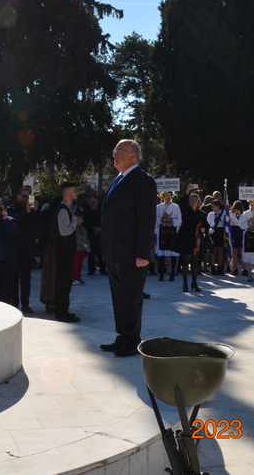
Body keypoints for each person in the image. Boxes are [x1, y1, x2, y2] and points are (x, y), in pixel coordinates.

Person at [98, 140, 157, 357]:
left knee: (131, 298)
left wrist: (142, 253)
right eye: (114, 151)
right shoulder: (120, 179)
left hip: (132, 253)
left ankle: (132, 340)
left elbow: (147, 220)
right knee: (119, 297)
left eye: (119, 151)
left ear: (133, 155)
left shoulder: (143, 181)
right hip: (115, 251)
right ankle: (122, 336)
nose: (114, 155)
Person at [51, 182, 81, 322]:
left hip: (65, 250)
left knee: (65, 282)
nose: (77, 193)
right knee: (63, 282)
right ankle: (62, 313)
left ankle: (63, 311)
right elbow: (64, 231)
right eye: (74, 191)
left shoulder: (67, 209)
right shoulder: (63, 210)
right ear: (67, 194)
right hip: (63, 251)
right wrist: (74, 222)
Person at [7, 186, 38, 312]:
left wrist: (35, 211)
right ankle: (14, 302)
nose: (26, 199)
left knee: (26, 278)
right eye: (23, 196)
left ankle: (25, 304)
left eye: (28, 196)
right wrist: (26, 212)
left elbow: (36, 224)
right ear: (18, 196)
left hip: (27, 248)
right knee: (13, 277)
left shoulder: (32, 209)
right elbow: (13, 222)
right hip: (14, 247)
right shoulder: (11, 208)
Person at [176, 188, 205, 291]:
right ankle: (185, 283)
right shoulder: (186, 211)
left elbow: (206, 225)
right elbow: (182, 204)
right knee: (185, 262)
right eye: (191, 200)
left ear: (198, 202)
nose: (193, 202)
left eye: (195, 200)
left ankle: (194, 283)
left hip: (197, 242)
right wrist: (187, 192)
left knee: (195, 263)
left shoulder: (201, 213)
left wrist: (204, 228)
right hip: (186, 240)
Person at [154, 192, 181, 281]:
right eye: (167, 195)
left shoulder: (176, 207)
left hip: (172, 231)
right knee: (161, 253)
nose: (168, 197)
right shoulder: (159, 207)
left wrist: (171, 220)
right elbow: (155, 219)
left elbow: (179, 220)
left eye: (170, 195)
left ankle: (172, 273)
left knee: (173, 252)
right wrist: (162, 218)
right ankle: (161, 274)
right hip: (162, 231)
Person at [84, 196, 106, 276]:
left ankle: (103, 269)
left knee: (101, 253)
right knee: (91, 254)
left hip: (101, 235)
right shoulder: (87, 213)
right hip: (91, 236)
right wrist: (93, 229)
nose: (92, 205)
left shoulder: (102, 213)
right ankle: (91, 270)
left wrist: (100, 229)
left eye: (94, 203)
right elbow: (86, 224)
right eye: (91, 203)